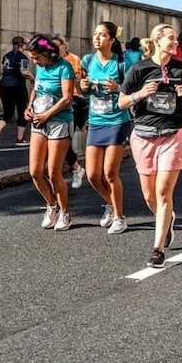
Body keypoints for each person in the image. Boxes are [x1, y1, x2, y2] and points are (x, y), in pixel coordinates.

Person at [119, 24, 182, 268]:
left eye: (176, 39)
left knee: (164, 192)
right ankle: (167, 219)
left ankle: (157, 248)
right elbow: (122, 102)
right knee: (149, 195)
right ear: (157, 40)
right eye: (171, 39)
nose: (176, 43)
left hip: (173, 134)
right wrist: (140, 94)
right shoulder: (139, 68)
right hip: (143, 135)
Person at [79, 22, 132, 235]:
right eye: (95, 34)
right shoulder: (88, 60)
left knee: (110, 172)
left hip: (117, 120)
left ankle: (120, 217)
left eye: (102, 35)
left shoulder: (121, 63)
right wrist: (83, 87)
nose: (97, 38)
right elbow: (84, 88)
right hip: (96, 120)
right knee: (92, 175)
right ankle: (110, 204)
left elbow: (130, 92)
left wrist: (118, 88)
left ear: (112, 40)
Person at [24, 34, 76, 231]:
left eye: (37, 57)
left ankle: (65, 212)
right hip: (39, 120)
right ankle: (51, 206)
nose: (35, 61)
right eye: (33, 58)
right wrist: (30, 106)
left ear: (47, 53)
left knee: (54, 172)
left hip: (59, 122)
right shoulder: (40, 68)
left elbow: (67, 98)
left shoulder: (64, 67)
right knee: (35, 171)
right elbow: (36, 89)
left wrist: (47, 115)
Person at [52, 33, 86, 189]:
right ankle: (73, 170)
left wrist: (80, 80)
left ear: (64, 45)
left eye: (57, 45)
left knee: (65, 140)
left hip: (73, 100)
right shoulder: (48, 61)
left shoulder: (75, 59)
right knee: (58, 142)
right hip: (52, 103)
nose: (54, 48)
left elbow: (83, 79)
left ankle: (75, 169)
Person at [0, 36, 33, 147]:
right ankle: (20, 139)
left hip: (4, 84)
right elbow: (24, 72)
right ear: (21, 45)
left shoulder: (6, 56)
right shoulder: (23, 57)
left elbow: (1, 71)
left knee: (8, 112)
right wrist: (33, 78)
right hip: (17, 85)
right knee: (22, 111)